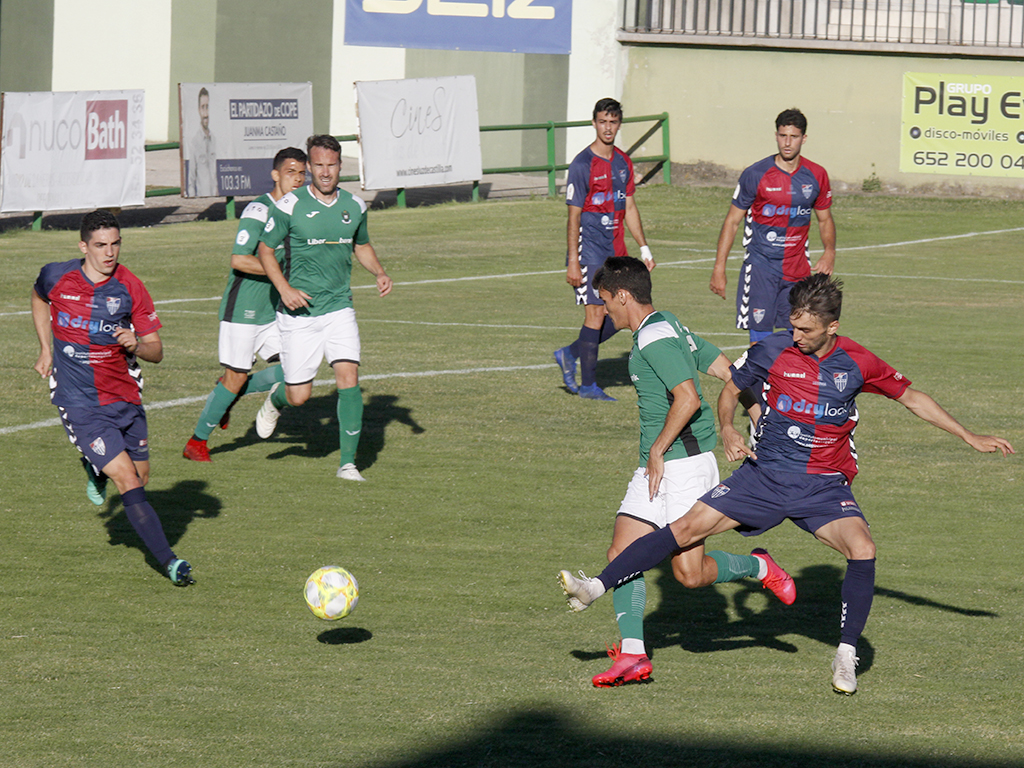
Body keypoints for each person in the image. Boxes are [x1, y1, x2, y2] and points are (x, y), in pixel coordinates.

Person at [560, 274, 1014, 695]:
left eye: (806, 330)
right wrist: (728, 428)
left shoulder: (858, 362)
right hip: (763, 478)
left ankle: (845, 655)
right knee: (683, 530)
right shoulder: (773, 349)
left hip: (823, 486)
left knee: (863, 548)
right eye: (793, 326)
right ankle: (596, 587)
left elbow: (912, 398)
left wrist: (969, 436)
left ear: (832, 327)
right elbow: (731, 388)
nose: (796, 336)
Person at [577, 256, 795, 688]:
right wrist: (756, 414)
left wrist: (659, 449)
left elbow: (689, 398)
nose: (604, 310)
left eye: (606, 300)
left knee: (690, 575)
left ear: (624, 296)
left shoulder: (653, 338)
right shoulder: (667, 323)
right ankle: (633, 656)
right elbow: (728, 370)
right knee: (621, 555)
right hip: (655, 466)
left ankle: (758, 567)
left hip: (684, 466)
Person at [31, 210, 194, 586]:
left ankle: (94, 467)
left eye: (115, 244)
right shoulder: (56, 276)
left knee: (141, 476)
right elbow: (39, 297)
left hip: (123, 397)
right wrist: (45, 348)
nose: (110, 253)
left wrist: (136, 344)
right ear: (83, 246)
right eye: (101, 245)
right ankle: (170, 562)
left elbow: (156, 351)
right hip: (79, 401)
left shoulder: (130, 287)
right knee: (127, 480)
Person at [254, 134, 392, 481]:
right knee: (299, 396)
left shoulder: (355, 206)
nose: (325, 172)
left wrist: (379, 272)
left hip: (339, 307)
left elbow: (361, 244)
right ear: (310, 167)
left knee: (349, 376)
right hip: (299, 315)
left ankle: (348, 464)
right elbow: (265, 250)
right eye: (318, 165)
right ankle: (276, 400)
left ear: (340, 165)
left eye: (331, 165)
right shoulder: (289, 205)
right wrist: (284, 289)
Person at [183, 146, 308, 462]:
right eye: (290, 172)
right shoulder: (259, 210)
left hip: (274, 311)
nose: (297, 179)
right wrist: (281, 275)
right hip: (243, 311)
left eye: (301, 173)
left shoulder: (298, 212)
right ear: (275, 174)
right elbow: (239, 259)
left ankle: (229, 393)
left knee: (298, 367)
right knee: (236, 377)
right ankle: (196, 442)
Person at [553, 98, 654, 401]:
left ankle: (570, 353)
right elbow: (573, 216)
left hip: (616, 251)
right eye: (602, 122)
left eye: (612, 122)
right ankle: (588, 387)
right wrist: (574, 262)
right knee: (596, 314)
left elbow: (630, 207)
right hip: (590, 251)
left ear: (619, 124)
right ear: (594, 123)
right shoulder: (582, 164)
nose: (607, 128)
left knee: (623, 313)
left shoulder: (623, 162)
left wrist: (644, 248)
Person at [710, 108, 836, 345]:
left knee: (798, 339)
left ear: (804, 138)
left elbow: (825, 219)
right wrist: (719, 268)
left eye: (794, 137)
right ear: (776, 136)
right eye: (782, 136)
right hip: (761, 268)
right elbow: (732, 221)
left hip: (798, 270)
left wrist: (829, 252)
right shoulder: (755, 174)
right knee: (760, 342)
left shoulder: (816, 175)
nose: (787, 143)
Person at [187, 87, 217, 197]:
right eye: (202, 107)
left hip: (217, 197)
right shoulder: (194, 143)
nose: (205, 113)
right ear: (199, 110)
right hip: (202, 199)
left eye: (207, 107)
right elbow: (191, 180)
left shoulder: (214, 140)